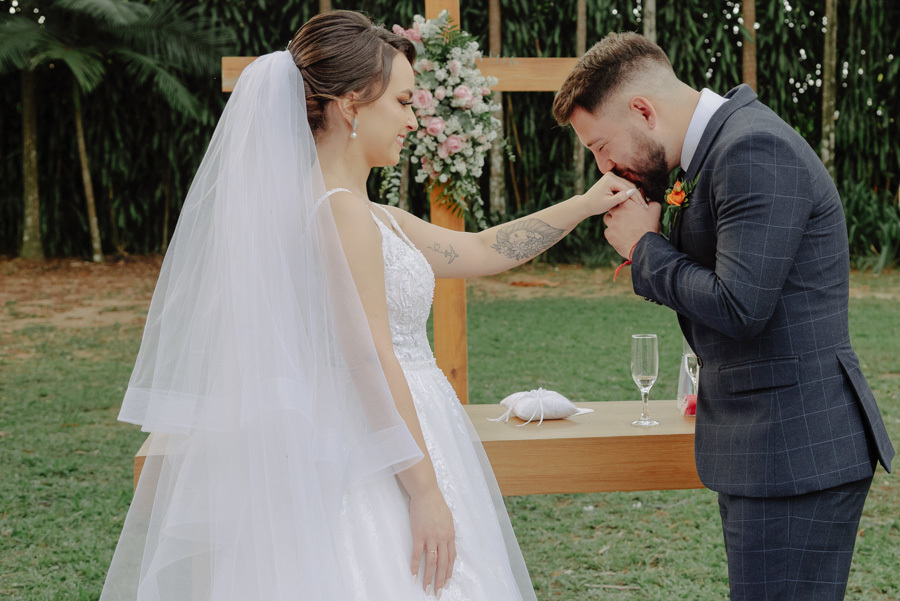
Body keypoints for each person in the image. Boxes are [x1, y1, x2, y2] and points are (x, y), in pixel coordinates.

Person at [100, 11, 640, 601]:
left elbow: (484, 249)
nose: (413, 118)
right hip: (379, 447)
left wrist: (584, 204)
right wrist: (425, 492)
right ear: (351, 104)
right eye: (403, 102)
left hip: (393, 429)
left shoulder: (364, 212)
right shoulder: (341, 212)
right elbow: (371, 355)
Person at [552, 32, 895, 601]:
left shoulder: (752, 148)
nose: (603, 165)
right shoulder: (716, 152)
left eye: (600, 145)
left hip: (794, 452)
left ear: (643, 110)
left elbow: (740, 306)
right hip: (770, 448)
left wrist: (644, 248)